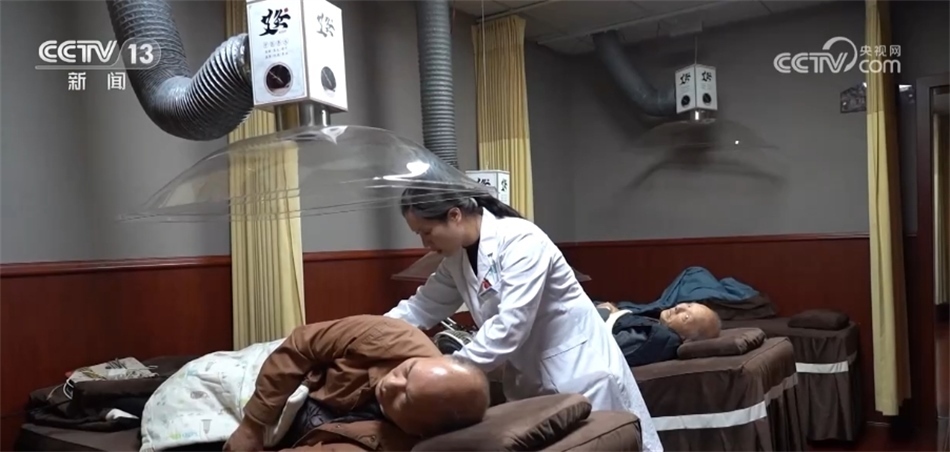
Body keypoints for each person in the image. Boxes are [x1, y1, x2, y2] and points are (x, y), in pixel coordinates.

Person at [384, 190, 664, 452]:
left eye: (426, 232)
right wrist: (371, 332)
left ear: (454, 215)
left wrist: (446, 371)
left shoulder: (522, 240)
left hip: (579, 371)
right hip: (531, 379)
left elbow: (510, 326)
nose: (425, 243)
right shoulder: (456, 260)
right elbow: (421, 306)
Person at [224, 315, 490, 451]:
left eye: (405, 398)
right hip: (270, 383)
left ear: (419, 429)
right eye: (407, 371)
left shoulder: (391, 443)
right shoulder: (390, 335)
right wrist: (252, 425)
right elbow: (301, 345)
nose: (390, 384)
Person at [596, 302, 722, 367]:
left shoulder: (658, 338)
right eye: (689, 305)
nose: (679, 307)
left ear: (687, 339)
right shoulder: (659, 326)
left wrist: (606, 312)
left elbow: (603, 347)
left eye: (686, 317)